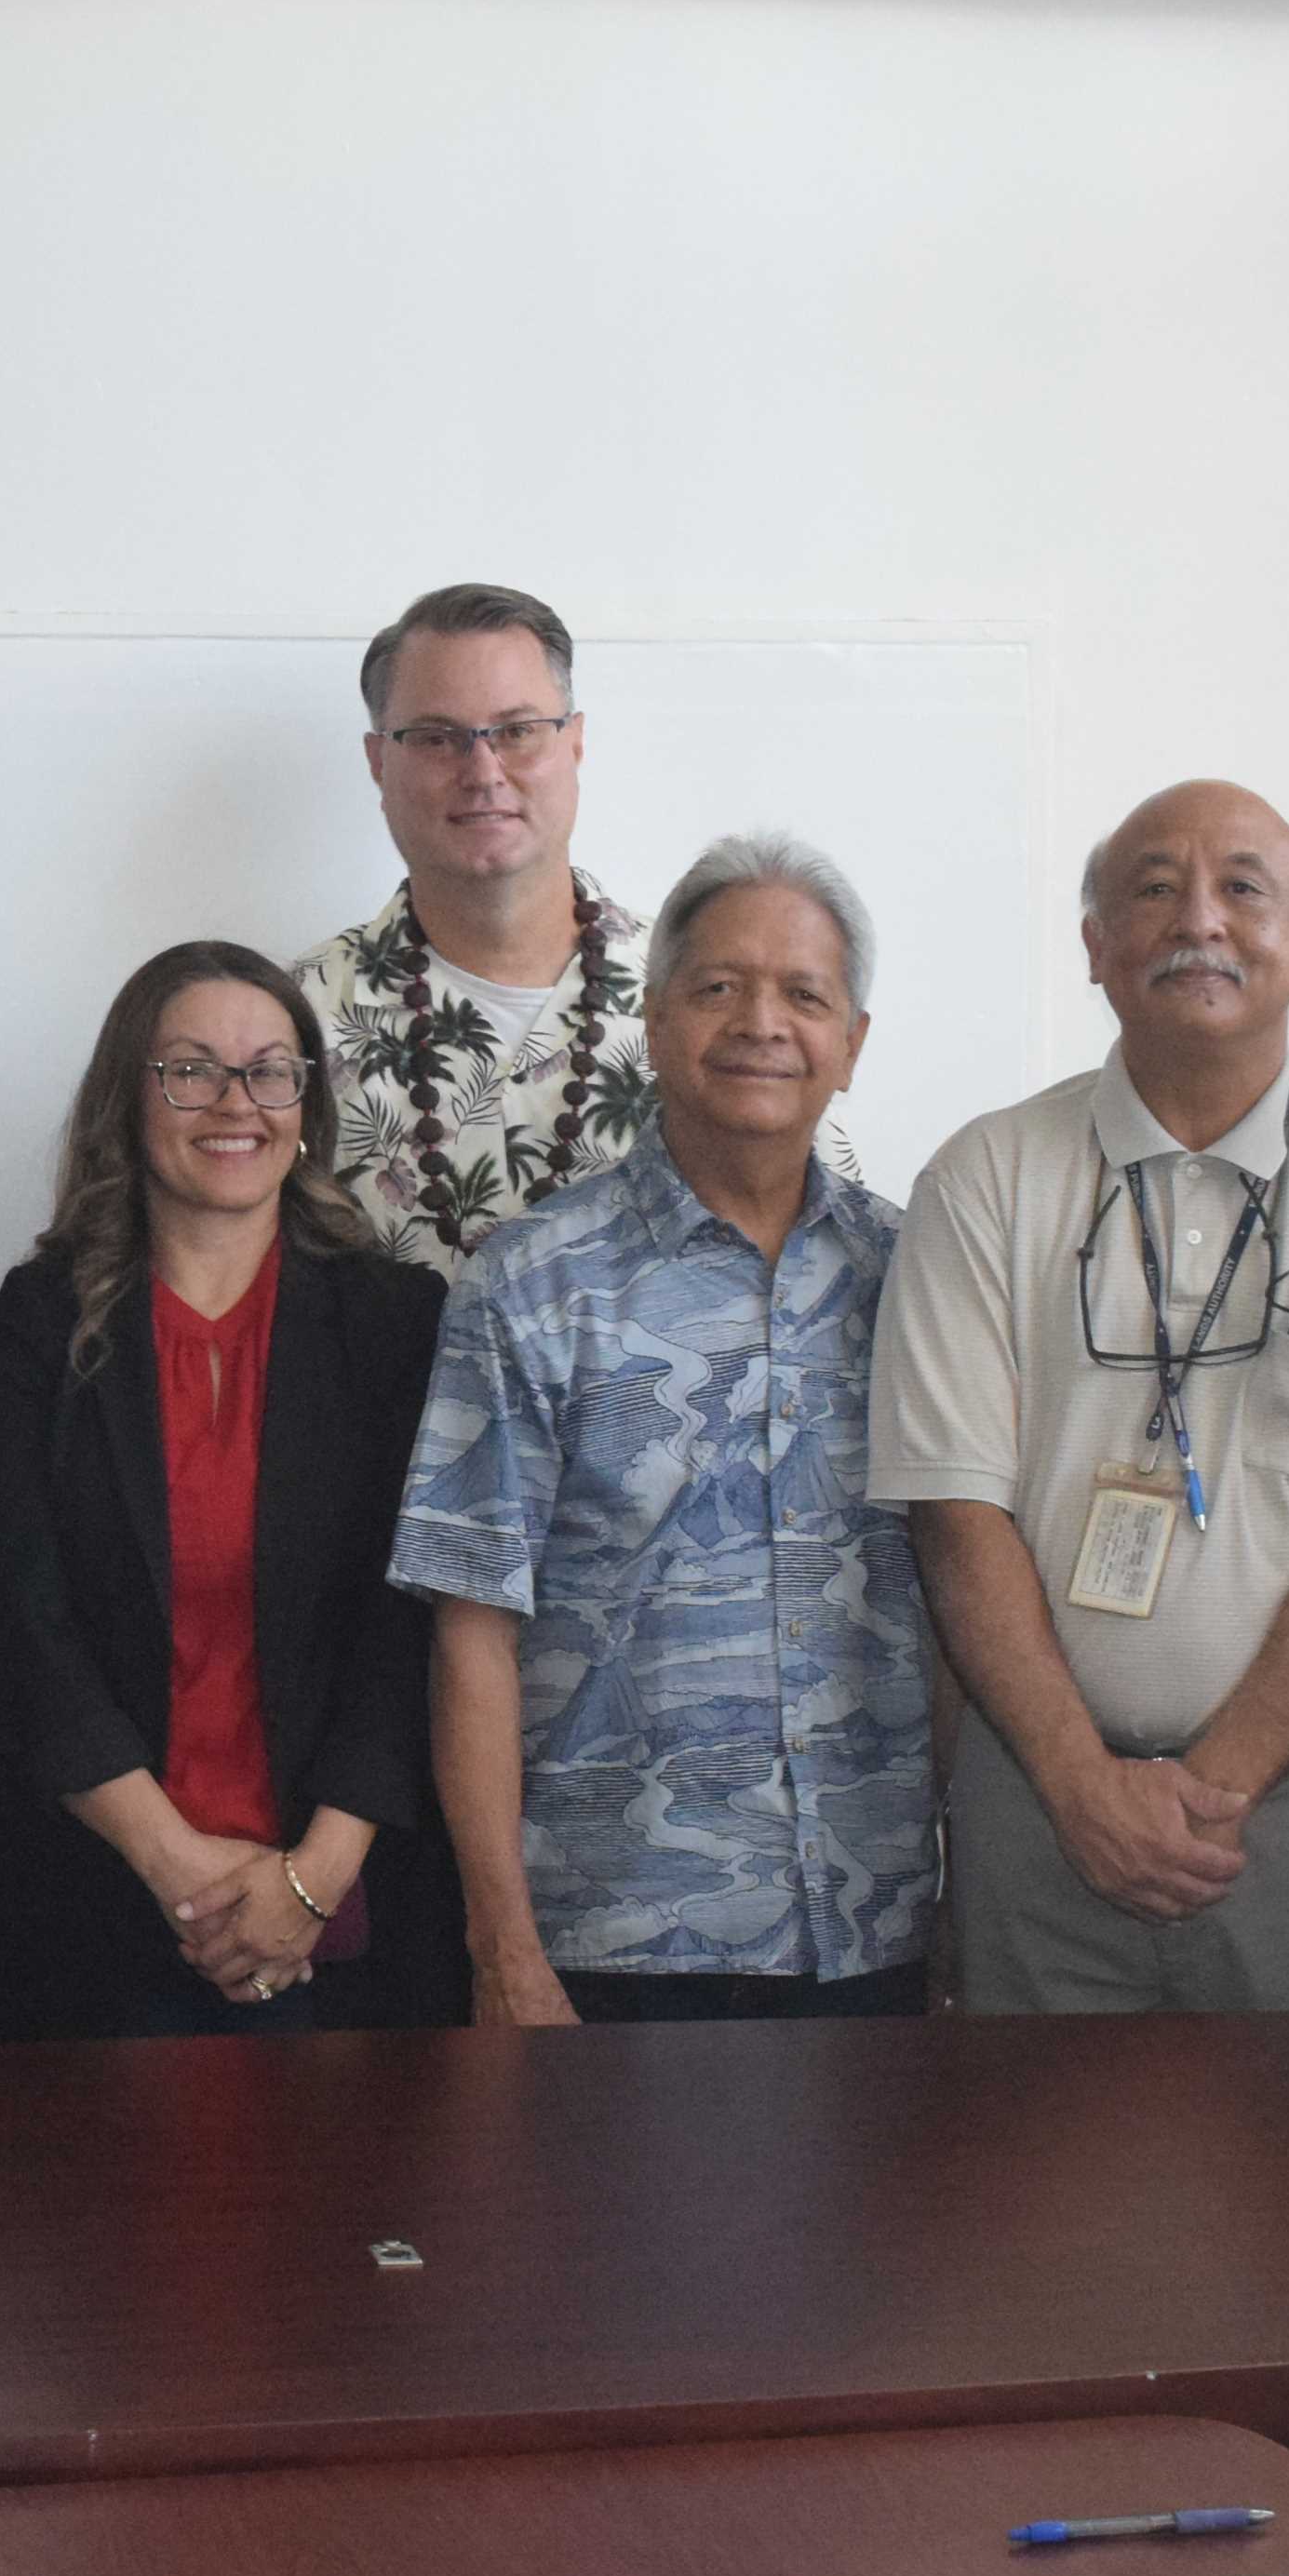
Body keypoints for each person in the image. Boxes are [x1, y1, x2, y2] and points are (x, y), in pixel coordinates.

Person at [868, 783, 1289, 2017]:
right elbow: (955, 1517)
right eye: (1154, 888)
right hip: (1041, 1809)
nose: (1198, 919)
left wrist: (1211, 1788)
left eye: (1244, 888)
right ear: (1098, 946)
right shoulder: (983, 1180)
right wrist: (1081, 1789)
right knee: (1039, 2195)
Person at [398, 839, 935, 2022]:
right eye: (718, 986)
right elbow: (470, 1634)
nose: (761, 1022)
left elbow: (969, 1592)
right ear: (654, 1017)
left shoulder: (918, 1279)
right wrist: (503, 1952)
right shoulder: (534, 1284)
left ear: (852, 1043)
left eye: (805, 994)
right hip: (616, 1946)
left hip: (870, 1932)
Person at [0, 941, 463, 2036]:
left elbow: (409, 1626)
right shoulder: (42, 1320)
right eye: (191, 1069)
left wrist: (310, 1881)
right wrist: (176, 1865)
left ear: (307, 1101)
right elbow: (15, 1620)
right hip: (98, 1908)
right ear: (126, 1100)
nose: (236, 1102)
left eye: (270, 1069)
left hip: (343, 1914)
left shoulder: (394, 1323)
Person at [293, 583, 653, 1268]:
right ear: (378, 762)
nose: (483, 771)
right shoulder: (290, 1028)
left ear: (574, 744)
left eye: (517, 731)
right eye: (436, 738)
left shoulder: (711, 995)